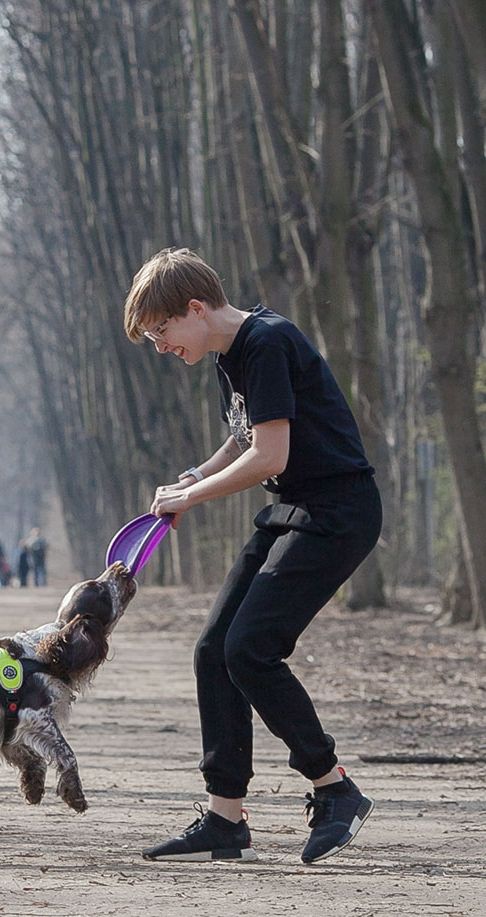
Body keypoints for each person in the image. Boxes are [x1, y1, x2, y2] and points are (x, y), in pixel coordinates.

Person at [123, 247, 381, 865]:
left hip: (337, 513)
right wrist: (189, 481)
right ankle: (225, 817)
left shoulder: (267, 342)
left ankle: (333, 786)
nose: (161, 347)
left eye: (162, 332)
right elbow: (244, 435)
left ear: (194, 308)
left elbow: (269, 457)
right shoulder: (229, 352)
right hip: (295, 508)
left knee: (251, 650)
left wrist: (195, 495)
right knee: (214, 649)